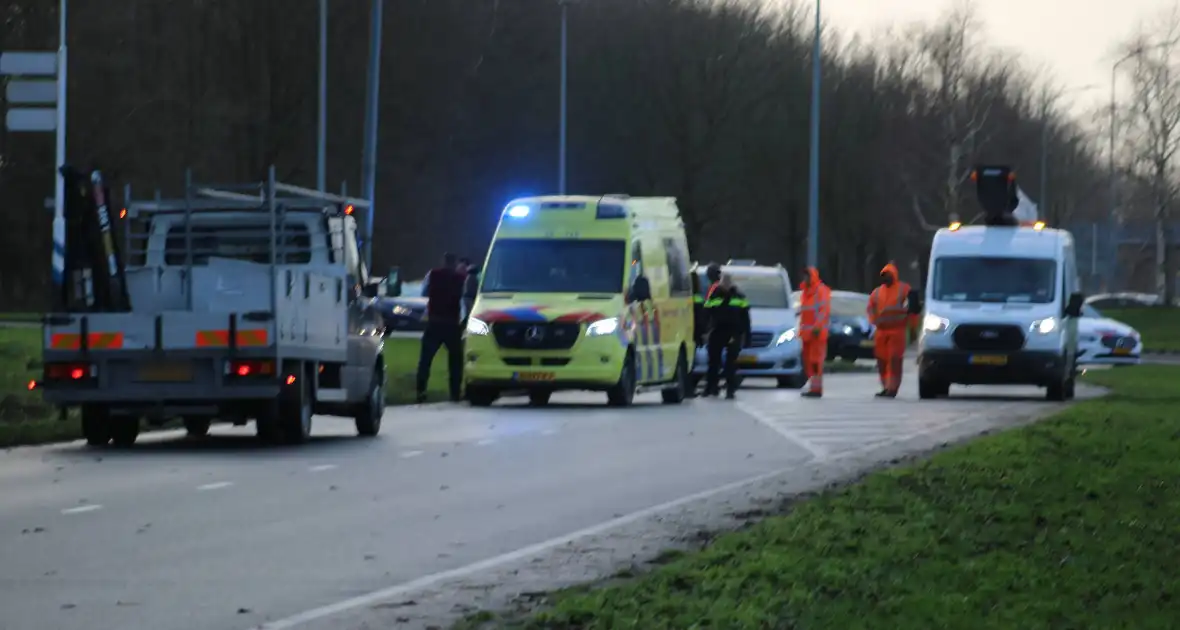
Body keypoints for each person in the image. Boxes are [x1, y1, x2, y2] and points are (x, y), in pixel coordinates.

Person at [416, 252, 466, 403]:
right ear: (455, 263)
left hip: (434, 321)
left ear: (443, 261)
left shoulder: (433, 274)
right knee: (456, 360)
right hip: (452, 323)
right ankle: (455, 393)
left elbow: (424, 292)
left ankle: (421, 391)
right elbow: (464, 299)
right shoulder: (460, 278)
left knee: (426, 359)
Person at [866, 262, 917, 398]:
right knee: (881, 360)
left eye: (887, 275)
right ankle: (885, 386)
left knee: (894, 360)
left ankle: (892, 388)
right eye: (883, 276)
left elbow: (913, 309)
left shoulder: (903, 289)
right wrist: (873, 321)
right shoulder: (877, 292)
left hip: (897, 331)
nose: (885, 278)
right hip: (881, 331)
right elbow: (870, 307)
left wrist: (912, 328)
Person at [703, 272, 751, 400]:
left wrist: (747, 336)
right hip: (717, 330)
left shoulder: (740, 297)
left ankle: (730, 389)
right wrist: (704, 331)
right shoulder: (714, 296)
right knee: (713, 361)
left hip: (733, 332)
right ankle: (711, 388)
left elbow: (746, 319)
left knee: (731, 362)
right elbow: (707, 313)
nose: (726, 286)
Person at [797, 266, 831, 398]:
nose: (804, 278)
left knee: (816, 361)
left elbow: (823, 311)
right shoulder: (805, 291)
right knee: (808, 362)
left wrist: (817, 327)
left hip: (817, 334)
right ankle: (813, 386)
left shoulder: (821, 290)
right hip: (807, 335)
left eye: (807, 276)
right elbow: (805, 313)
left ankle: (816, 389)